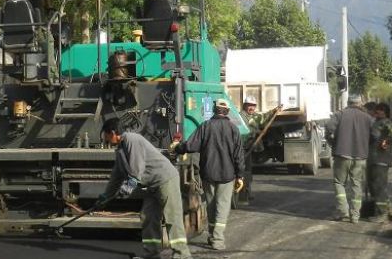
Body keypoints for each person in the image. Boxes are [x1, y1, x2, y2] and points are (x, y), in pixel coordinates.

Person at [100, 119, 192, 259]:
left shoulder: (132, 139)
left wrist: (127, 188)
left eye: (105, 135)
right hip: (152, 184)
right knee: (148, 216)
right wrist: (105, 196)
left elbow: (137, 169)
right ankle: (151, 253)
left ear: (112, 132)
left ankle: (182, 255)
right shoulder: (120, 149)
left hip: (165, 179)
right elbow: (116, 176)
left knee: (172, 217)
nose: (105, 139)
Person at [170, 99, 244, 251]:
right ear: (227, 112)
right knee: (222, 206)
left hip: (208, 173)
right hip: (227, 174)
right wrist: (240, 175)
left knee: (210, 204)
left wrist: (177, 148)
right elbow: (239, 155)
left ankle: (212, 236)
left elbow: (191, 145)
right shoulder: (233, 129)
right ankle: (217, 239)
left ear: (214, 110)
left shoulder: (205, 126)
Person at [325, 94, 373, 224]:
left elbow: (329, 128)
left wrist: (332, 142)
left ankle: (343, 210)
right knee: (356, 184)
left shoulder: (339, 115)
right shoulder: (367, 118)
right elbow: (375, 134)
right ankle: (355, 215)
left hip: (342, 154)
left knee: (339, 183)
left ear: (348, 102)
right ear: (360, 103)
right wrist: (366, 145)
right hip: (360, 156)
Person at [237, 95, 274, 203]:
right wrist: (256, 132)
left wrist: (273, 111)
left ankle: (247, 192)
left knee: (248, 171)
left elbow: (263, 117)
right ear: (245, 106)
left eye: (253, 106)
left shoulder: (253, 116)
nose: (252, 108)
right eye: (249, 105)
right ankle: (242, 194)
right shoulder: (241, 117)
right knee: (242, 171)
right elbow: (244, 131)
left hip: (248, 148)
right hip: (241, 149)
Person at [367, 103, 392, 223]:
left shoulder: (386, 122)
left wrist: (386, 141)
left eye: (380, 110)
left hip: (382, 159)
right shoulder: (375, 122)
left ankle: (382, 214)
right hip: (373, 159)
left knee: (379, 187)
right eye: (376, 110)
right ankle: (389, 209)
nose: (377, 112)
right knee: (374, 187)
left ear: (385, 112)